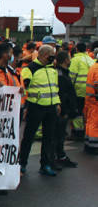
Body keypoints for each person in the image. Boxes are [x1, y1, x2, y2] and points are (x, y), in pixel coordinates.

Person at [19, 45, 61, 177]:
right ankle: (22, 164)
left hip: (51, 107)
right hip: (35, 107)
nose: (53, 58)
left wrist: (57, 103)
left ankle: (45, 164)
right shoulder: (30, 69)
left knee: (49, 137)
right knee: (28, 137)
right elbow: (23, 87)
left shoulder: (52, 69)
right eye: (51, 55)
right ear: (43, 55)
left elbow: (55, 88)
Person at [55, 51, 79, 168]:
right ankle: (58, 157)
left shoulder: (62, 73)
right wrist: (65, 110)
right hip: (62, 110)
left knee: (60, 135)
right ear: (65, 60)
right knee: (58, 135)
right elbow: (63, 94)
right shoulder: (61, 74)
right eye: (69, 58)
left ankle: (60, 156)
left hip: (64, 109)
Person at [69, 42, 95, 138]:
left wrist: (69, 89)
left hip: (78, 90)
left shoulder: (75, 60)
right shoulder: (90, 60)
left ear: (76, 49)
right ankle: (86, 131)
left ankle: (78, 132)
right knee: (88, 111)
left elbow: (71, 75)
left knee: (78, 111)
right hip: (90, 90)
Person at [85, 57, 98, 154]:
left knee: (90, 122)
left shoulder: (94, 66)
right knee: (95, 123)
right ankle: (94, 146)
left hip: (91, 99)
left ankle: (88, 143)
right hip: (95, 100)